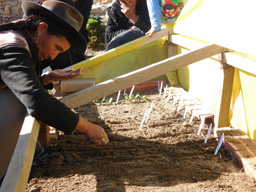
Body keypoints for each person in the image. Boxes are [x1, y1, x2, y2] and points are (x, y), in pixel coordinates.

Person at [0, 0, 109, 181]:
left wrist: (47, 79)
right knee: (16, 103)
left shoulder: (19, 39)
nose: (53, 56)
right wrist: (86, 126)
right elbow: (35, 100)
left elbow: (17, 84)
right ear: (42, 29)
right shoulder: (13, 47)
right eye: (57, 48)